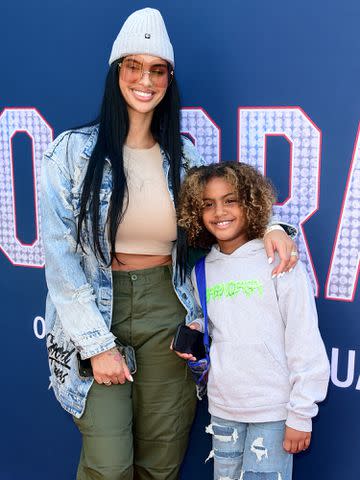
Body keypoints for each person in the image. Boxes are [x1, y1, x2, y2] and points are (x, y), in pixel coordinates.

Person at [40, 8, 298, 480]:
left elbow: (226, 208)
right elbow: (59, 260)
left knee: (160, 461)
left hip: (169, 308)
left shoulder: (183, 158)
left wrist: (274, 227)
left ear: (168, 79)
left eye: (157, 69)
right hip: (97, 310)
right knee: (109, 464)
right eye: (133, 66)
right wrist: (96, 345)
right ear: (117, 72)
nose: (145, 80)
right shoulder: (71, 153)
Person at [176, 162, 330, 480]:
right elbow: (222, 320)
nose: (220, 212)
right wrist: (198, 328)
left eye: (230, 200)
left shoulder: (278, 260)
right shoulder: (201, 271)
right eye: (208, 204)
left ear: (250, 202)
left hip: (273, 411)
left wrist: (301, 413)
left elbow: (303, 336)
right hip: (223, 409)